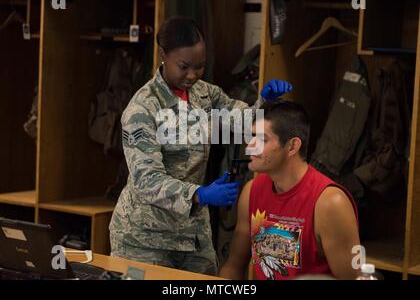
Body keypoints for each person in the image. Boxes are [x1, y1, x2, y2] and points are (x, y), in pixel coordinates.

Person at [109, 16, 293, 275]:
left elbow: (241, 124)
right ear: (163, 55)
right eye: (184, 66)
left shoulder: (204, 94)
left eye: (200, 67)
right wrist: (200, 194)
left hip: (192, 232)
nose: (192, 75)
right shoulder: (143, 109)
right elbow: (147, 181)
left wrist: (263, 102)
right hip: (144, 237)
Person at [219, 100, 360, 280]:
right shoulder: (251, 191)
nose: (249, 147)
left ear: (292, 146)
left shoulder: (330, 202)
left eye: (262, 139)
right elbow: (233, 267)